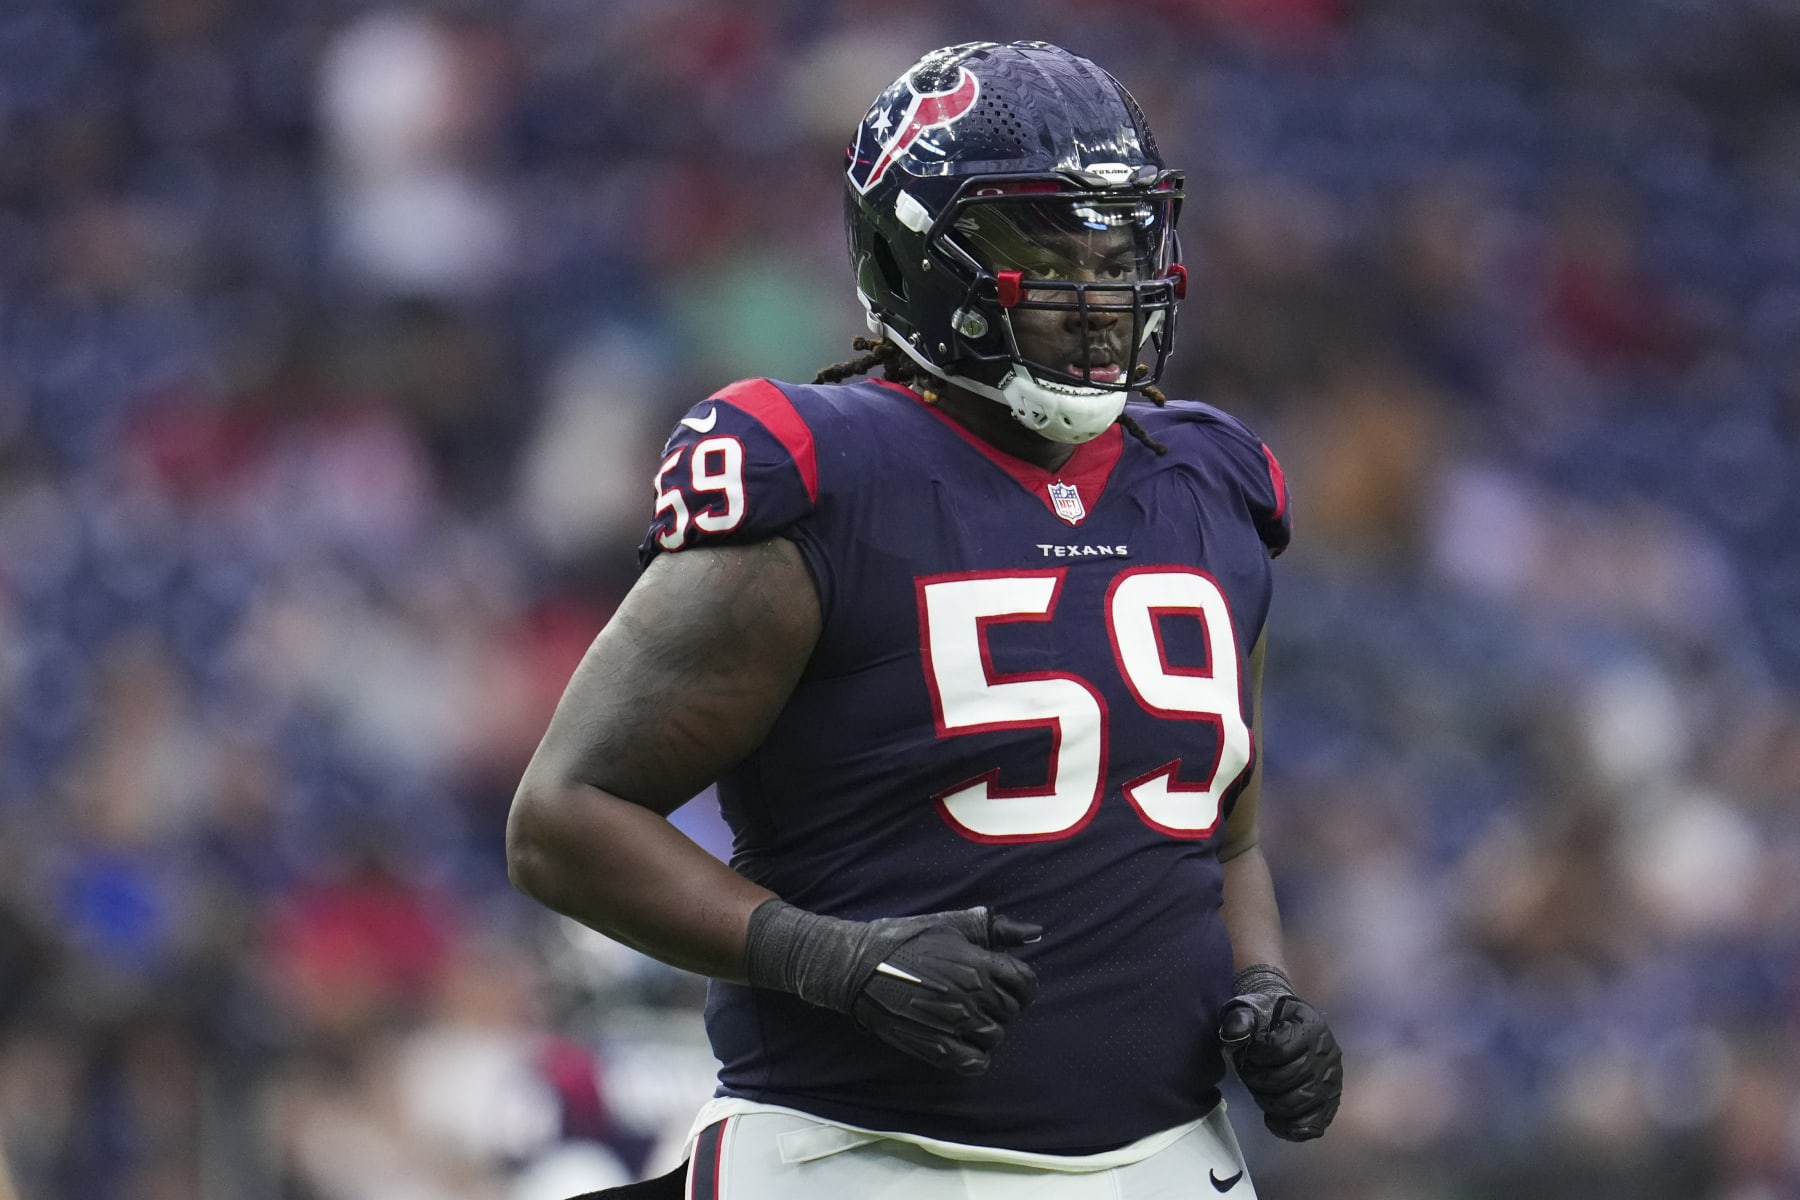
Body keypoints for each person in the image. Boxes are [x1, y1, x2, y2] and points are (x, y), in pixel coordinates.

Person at [508, 40, 1343, 1200]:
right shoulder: (825, 474)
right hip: (865, 1158)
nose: (1096, 296)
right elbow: (561, 818)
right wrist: (825, 958)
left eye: (1117, 249)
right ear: (912, 256)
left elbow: (1226, 836)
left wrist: (1265, 987)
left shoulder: (1212, 482)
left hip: (1167, 1160)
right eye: (1044, 250)